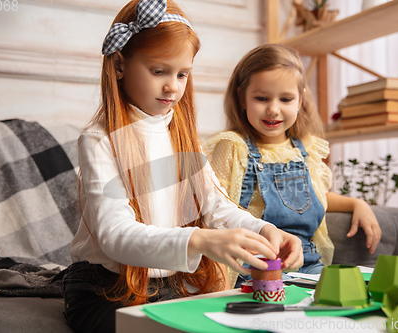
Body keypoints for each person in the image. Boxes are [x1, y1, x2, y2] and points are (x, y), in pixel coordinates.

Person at [61, 2, 303, 333]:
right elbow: (115, 237)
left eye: (182, 74)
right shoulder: (99, 141)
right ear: (119, 65)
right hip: (105, 288)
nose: (173, 86)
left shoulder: (183, 136)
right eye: (158, 71)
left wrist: (263, 230)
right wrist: (200, 241)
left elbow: (216, 205)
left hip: (170, 285)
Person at [205, 44, 381, 282]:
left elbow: (313, 195)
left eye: (286, 99)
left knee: (356, 288)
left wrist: (356, 204)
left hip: (306, 264)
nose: (273, 109)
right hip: (252, 267)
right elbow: (216, 208)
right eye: (261, 98)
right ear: (242, 98)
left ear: (300, 100)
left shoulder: (306, 148)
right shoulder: (233, 146)